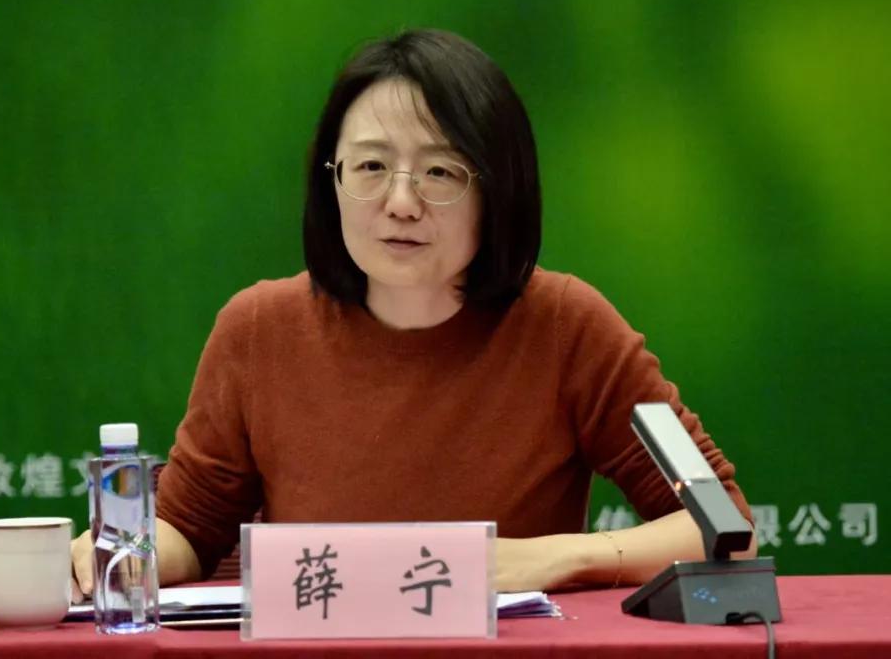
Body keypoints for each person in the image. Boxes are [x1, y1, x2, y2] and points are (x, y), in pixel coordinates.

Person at [71, 29, 754, 598]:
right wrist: (121, 548)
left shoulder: (566, 325)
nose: (401, 203)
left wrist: (552, 558)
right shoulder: (258, 329)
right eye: (371, 167)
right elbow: (188, 530)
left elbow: (722, 526)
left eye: (440, 172)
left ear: (499, 190)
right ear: (331, 180)